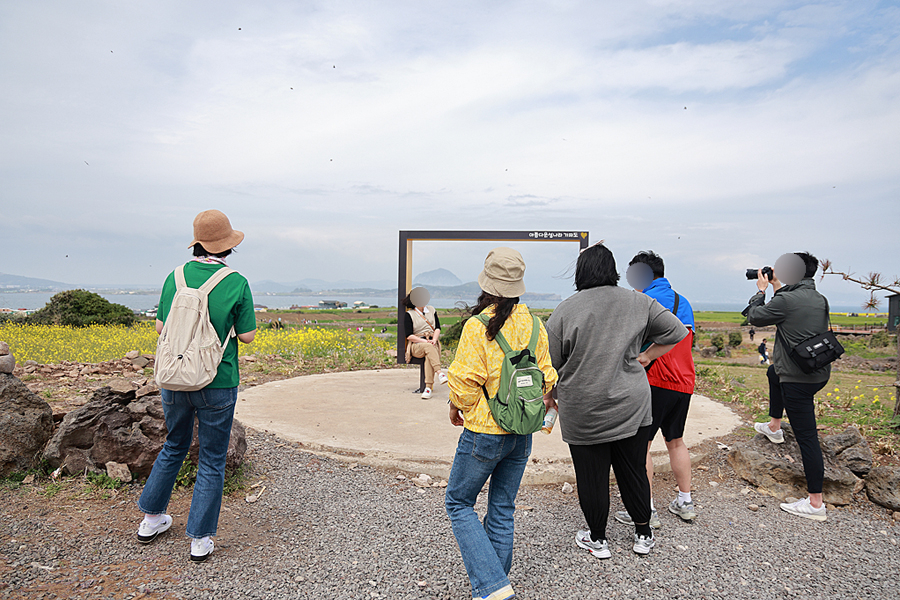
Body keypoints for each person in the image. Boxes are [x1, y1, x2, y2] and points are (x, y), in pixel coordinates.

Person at [545, 243, 687, 559]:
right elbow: (676, 332)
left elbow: (550, 364)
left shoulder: (565, 310)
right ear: (614, 272)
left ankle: (598, 539)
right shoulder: (639, 302)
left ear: (580, 273)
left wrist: (548, 399)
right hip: (631, 405)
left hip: (583, 408)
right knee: (633, 470)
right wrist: (647, 355)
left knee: (592, 475)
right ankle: (643, 534)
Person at [137, 210, 257, 561]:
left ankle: (151, 520)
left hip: (174, 377)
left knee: (174, 445)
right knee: (213, 457)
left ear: (197, 243)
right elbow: (247, 336)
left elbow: (161, 329)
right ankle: (200, 540)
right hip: (217, 380)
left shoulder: (174, 277)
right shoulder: (236, 281)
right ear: (227, 246)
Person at [445, 248, 558, 600]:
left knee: (458, 503)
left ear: (486, 285)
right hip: (522, 432)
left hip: (484, 431)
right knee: (502, 507)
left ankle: (494, 587)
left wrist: (456, 406)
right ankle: (495, 582)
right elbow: (548, 377)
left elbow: (464, 381)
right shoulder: (536, 324)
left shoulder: (478, 326)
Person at [745, 252, 831, 521]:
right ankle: (774, 427)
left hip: (797, 380)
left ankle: (815, 504)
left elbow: (756, 317)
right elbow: (790, 309)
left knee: (807, 439)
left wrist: (761, 291)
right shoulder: (818, 297)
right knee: (773, 372)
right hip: (817, 370)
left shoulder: (787, 299)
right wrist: (777, 287)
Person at [615, 251, 697, 530]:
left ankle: (645, 509)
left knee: (642, 446)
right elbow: (686, 340)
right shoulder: (681, 301)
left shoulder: (643, 301)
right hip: (684, 382)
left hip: (654, 382)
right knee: (676, 441)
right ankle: (685, 501)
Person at [403, 287, 447, 399]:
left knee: (429, 354)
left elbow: (437, 328)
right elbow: (409, 335)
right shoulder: (409, 314)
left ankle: (428, 388)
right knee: (429, 347)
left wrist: (434, 340)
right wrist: (424, 341)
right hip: (417, 345)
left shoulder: (431, 310)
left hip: (431, 342)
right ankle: (439, 373)